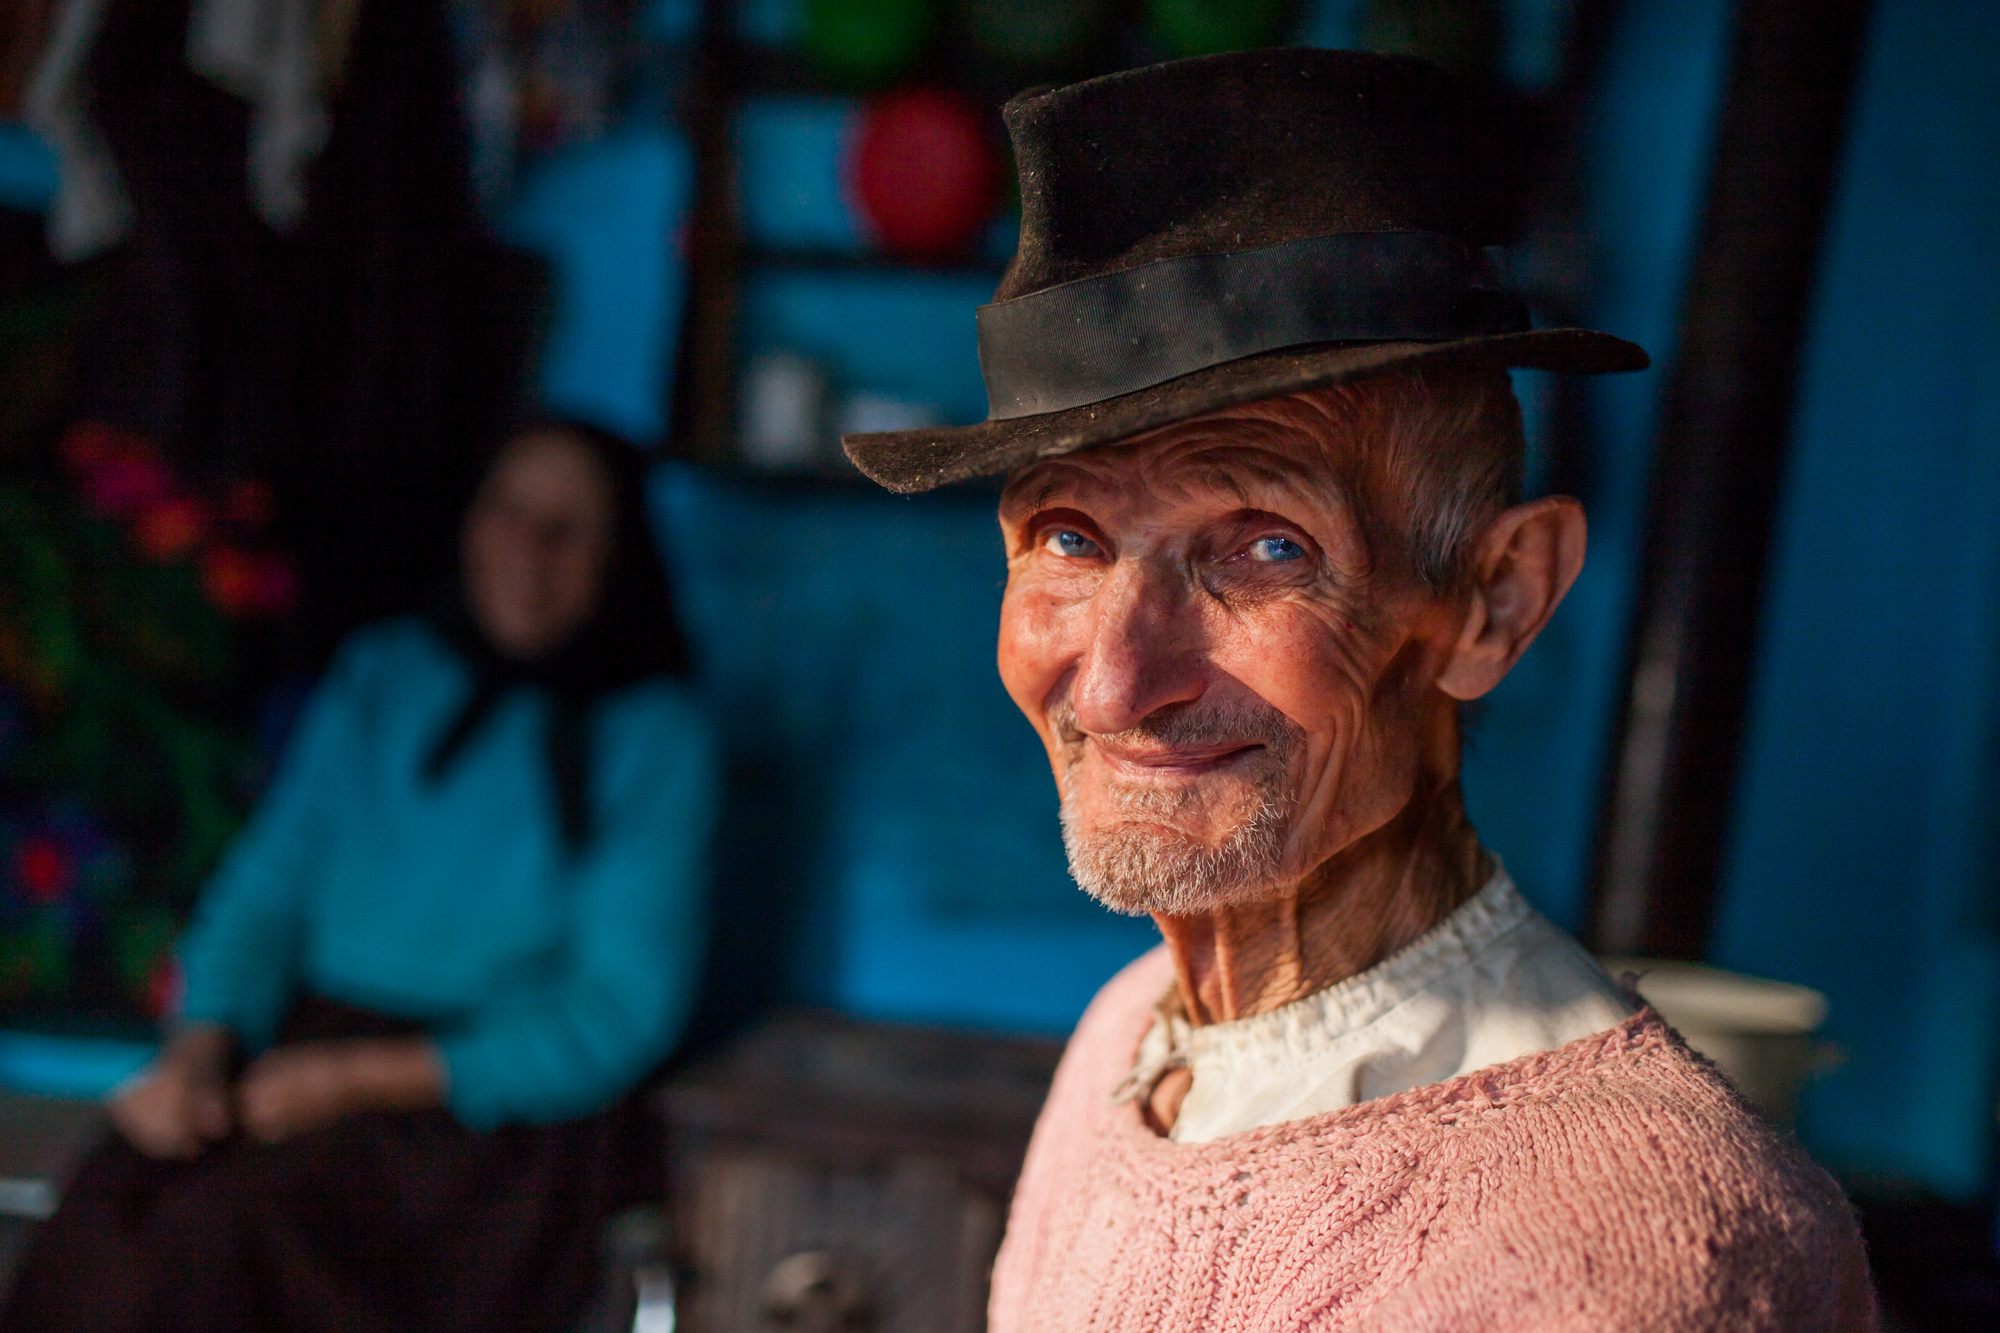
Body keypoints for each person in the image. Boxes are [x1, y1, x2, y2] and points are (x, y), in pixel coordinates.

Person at [843, 49, 1876, 1332]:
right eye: (1068, 539)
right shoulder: (1131, 1034)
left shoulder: (1613, 1254)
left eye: (1265, 547)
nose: (1114, 680)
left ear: (1493, 598)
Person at [3, 421, 716, 1331]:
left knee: (226, 1238)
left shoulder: (657, 738)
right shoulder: (386, 673)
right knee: (113, 1205)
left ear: (617, 556)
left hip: (482, 1113)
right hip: (302, 1053)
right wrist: (200, 1047)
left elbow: (621, 1011)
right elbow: (268, 888)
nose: (528, 552)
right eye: (508, 513)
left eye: (566, 529)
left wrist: (353, 1079)